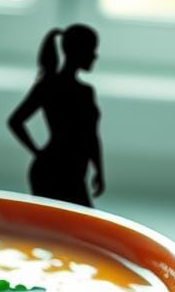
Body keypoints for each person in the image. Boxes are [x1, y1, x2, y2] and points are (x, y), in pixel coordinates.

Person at [8, 24, 104, 207]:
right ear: (78, 51)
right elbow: (15, 121)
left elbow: (91, 136)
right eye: (92, 50)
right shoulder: (49, 86)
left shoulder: (86, 91)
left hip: (74, 172)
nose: (95, 55)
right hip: (52, 170)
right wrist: (37, 152)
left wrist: (98, 170)